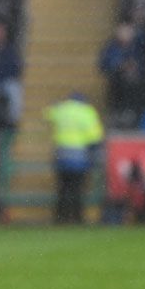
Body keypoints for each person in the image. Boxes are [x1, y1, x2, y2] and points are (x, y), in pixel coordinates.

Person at [45, 93, 104, 224]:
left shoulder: (62, 109)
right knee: (77, 188)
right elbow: (95, 137)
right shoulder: (87, 112)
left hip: (61, 154)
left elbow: (47, 114)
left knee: (63, 188)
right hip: (79, 156)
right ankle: (77, 218)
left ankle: (60, 217)